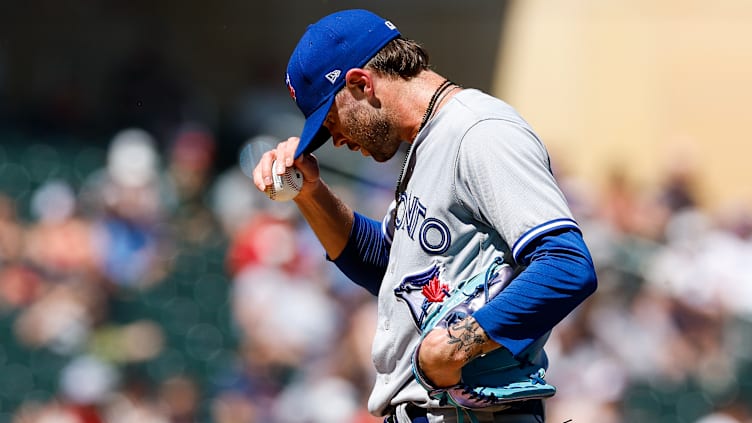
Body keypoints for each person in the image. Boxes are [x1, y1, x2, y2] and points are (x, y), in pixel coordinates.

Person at [251, 9, 597, 423]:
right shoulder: (428, 142)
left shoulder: (479, 131)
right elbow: (390, 270)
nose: (336, 140)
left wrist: (457, 344)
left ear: (361, 83)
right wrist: (311, 195)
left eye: (331, 120)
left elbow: (566, 265)